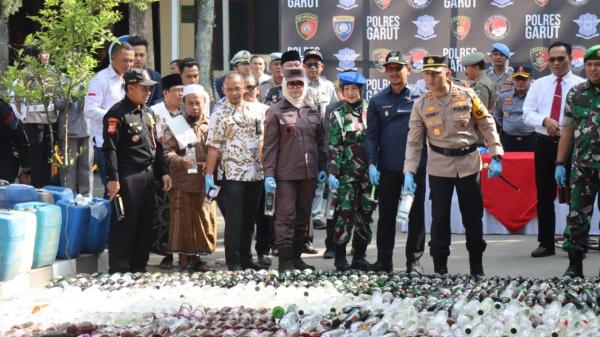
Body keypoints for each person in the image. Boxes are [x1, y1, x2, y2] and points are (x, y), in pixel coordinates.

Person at [404, 55, 504, 277]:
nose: (430, 78)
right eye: (426, 73)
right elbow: (413, 142)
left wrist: (496, 153)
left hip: (469, 164)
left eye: (435, 73)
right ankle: (441, 271)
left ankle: (476, 269)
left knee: (473, 218)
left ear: (447, 74)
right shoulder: (421, 104)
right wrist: (409, 172)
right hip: (439, 167)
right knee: (439, 221)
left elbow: (486, 123)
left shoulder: (467, 95)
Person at [102, 68, 171, 273]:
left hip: (148, 175)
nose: (148, 92)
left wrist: (164, 171)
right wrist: (113, 179)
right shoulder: (116, 115)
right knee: (125, 223)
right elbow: (110, 149)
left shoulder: (148, 113)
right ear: (130, 88)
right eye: (143, 89)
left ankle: (139, 267)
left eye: (149, 89)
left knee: (145, 223)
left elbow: (157, 145)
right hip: (127, 175)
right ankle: (120, 269)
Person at [523, 41, 585, 258]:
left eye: (561, 58)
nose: (556, 63)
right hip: (544, 144)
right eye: (552, 59)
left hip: (574, 145)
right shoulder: (538, 85)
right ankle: (546, 243)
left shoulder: (581, 85)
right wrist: (545, 120)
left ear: (570, 59)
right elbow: (527, 113)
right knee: (544, 195)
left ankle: (575, 242)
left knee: (576, 197)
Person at [365, 51, 426, 273]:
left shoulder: (421, 97)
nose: (393, 72)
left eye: (398, 68)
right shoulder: (378, 100)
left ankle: (414, 262)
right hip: (388, 166)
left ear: (408, 70)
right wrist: (372, 163)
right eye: (389, 68)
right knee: (386, 215)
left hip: (416, 165)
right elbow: (371, 135)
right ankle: (384, 261)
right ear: (385, 71)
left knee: (416, 215)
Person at [262, 67, 328, 271]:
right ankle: (285, 261)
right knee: (286, 217)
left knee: (303, 217)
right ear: (285, 86)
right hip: (285, 175)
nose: (296, 88)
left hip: (309, 174)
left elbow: (321, 141)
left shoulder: (312, 109)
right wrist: (268, 174)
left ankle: (297, 258)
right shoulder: (275, 111)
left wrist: (323, 166)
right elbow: (270, 146)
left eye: (299, 83)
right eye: (292, 84)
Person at [205, 72, 266, 271]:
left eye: (237, 88)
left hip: (255, 173)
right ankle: (234, 261)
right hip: (231, 174)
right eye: (229, 89)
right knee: (235, 219)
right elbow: (213, 146)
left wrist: (267, 169)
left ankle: (247, 259)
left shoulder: (255, 111)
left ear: (244, 88)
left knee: (250, 219)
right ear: (223, 90)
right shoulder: (219, 113)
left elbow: (261, 141)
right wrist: (209, 175)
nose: (233, 92)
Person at [556, 44, 600, 278]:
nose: (593, 69)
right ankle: (574, 266)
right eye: (590, 65)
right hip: (582, 167)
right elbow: (567, 130)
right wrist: (559, 163)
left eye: (598, 65)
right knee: (577, 217)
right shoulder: (577, 92)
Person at [162, 84, 215, 272]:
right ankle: (184, 261)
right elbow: (167, 151)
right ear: (183, 103)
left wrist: (210, 164)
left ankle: (198, 259)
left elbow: (217, 149)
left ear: (204, 103)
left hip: (204, 182)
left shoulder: (211, 124)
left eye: (198, 103)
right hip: (182, 182)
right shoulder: (175, 124)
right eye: (190, 103)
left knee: (203, 220)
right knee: (182, 223)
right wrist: (179, 160)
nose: (195, 107)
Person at [328, 71, 376, 271]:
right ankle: (340, 258)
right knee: (345, 214)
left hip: (370, 174)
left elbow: (377, 140)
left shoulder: (371, 110)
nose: (350, 92)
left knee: (366, 213)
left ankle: (359, 256)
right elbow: (334, 145)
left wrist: (377, 165)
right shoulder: (337, 114)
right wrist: (332, 172)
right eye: (346, 89)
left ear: (361, 90)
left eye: (354, 89)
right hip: (347, 174)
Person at [85, 43, 134, 196]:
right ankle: (110, 220)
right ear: (113, 58)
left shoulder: (129, 79)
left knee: (126, 190)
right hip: (105, 143)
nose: (129, 64)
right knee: (112, 191)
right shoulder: (100, 80)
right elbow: (90, 109)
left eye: (131, 61)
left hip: (126, 144)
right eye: (124, 60)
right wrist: (114, 117)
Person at [150, 74, 184, 269]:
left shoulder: (184, 113)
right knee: (163, 214)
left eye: (182, 90)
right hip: (160, 167)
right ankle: (166, 253)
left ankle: (185, 252)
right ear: (165, 93)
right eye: (176, 91)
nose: (180, 94)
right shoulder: (155, 112)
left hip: (182, 168)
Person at [303, 48, 339, 232]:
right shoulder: (298, 85)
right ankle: (305, 214)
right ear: (303, 67)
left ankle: (316, 215)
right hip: (305, 137)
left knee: (320, 176)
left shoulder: (328, 86)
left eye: (316, 64)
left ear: (322, 66)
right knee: (305, 175)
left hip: (324, 136)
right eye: (309, 64)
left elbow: (335, 109)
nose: (312, 68)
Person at [244, 73, 274, 268]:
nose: (247, 91)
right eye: (244, 87)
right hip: (240, 173)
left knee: (266, 215)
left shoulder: (267, 110)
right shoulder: (229, 109)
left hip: (264, 171)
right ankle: (244, 254)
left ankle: (263, 251)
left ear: (258, 89)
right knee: (244, 217)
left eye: (251, 87)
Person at [15, 49, 56, 188]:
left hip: (49, 120)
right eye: (44, 53)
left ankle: (46, 186)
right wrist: (23, 115)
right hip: (33, 120)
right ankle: (36, 187)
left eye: (48, 52)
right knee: (36, 155)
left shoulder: (52, 71)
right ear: (36, 56)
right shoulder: (28, 72)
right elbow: (18, 95)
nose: (46, 56)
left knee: (48, 155)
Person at [56, 95, 93, 195]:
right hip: (68, 131)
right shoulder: (62, 80)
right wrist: (71, 95)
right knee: (69, 169)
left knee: (86, 167)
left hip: (87, 129)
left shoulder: (90, 81)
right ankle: (69, 199)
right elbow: (58, 104)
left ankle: (86, 198)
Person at [494, 66, 535, 151]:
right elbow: (498, 115)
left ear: (530, 80)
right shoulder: (503, 97)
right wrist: (507, 126)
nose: (520, 82)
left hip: (531, 139)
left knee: (530, 164)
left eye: (524, 79)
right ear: (512, 80)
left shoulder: (536, 97)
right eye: (517, 79)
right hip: (508, 140)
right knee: (507, 163)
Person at [0, 98, 31, 184]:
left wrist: (26, 168)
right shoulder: (3, 107)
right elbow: (18, 135)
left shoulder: (2, 108)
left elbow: (17, 135)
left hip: (5, 166)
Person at [128, 36, 163, 106]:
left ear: (146, 55)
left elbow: (158, 102)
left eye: (141, 55)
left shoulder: (156, 77)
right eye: (135, 55)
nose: (138, 58)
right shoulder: (121, 76)